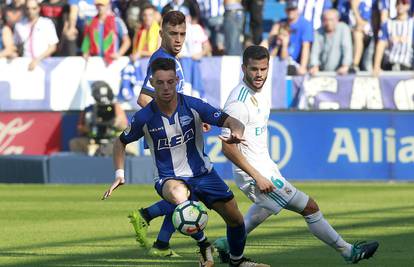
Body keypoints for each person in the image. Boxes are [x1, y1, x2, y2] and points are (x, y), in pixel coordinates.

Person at [213, 45, 380, 265]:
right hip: (255, 173)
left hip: (265, 166)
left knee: (264, 209)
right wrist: (258, 176)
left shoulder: (260, 93)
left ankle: (227, 243)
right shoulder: (238, 103)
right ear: (243, 68)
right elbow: (228, 148)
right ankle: (348, 251)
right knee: (310, 207)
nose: (259, 74)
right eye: (254, 69)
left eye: (263, 69)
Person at [102, 57, 270, 267]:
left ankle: (237, 261)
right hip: (169, 178)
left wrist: (237, 130)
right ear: (152, 84)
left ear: (177, 80)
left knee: (235, 219)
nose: (165, 87)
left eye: (170, 82)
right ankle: (203, 245)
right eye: (160, 82)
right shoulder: (144, 117)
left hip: (204, 174)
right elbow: (120, 142)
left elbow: (228, 119)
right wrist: (119, 174)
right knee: (180, 195)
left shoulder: (193, 105)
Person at [69, 81, 136, 156]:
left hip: (113, 140)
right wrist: (91, 126)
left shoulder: (115, 107)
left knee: (130, 147)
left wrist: (113, 123)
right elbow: (79, 128)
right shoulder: (89, 109)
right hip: (93, 141)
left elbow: (124, 125)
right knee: (75, 143)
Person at [262, 0, 313, 75]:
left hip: (293, 63)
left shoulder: (305, 24)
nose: (291, 11)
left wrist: (303, 67)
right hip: (278, 60)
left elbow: (306, 46)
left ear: (297, 10)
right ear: (285, 10)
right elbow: (268, 41)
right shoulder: (280, 23)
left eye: (293, 9)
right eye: (289, 9)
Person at [81, 0, 131, 65]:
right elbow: (86, 41)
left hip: (112, 62)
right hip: (95, 61)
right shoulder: (90, 22)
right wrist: (85, 52)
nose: (100, 7)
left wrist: (118, 54)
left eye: (102, 5)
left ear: (108, 5)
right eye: (98, 5)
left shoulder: (117, 21)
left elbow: (127, 41)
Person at [14, 0, 58, 71]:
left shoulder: (47, 23)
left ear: (38, 8)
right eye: (28, 8)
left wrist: (37, 60)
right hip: (25, 64)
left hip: (44, 64)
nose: (30, 11)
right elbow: (16, 45)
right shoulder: (19, 25)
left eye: (33, 8)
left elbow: (53, 47)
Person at [373, 0, 413, 76]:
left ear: (408, 6)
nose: (400, 5)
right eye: (398, 3)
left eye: (404, 3)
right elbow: (380, 46)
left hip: (407, 67)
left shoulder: (411, 24)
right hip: (390, 66)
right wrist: (376, 66)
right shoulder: (388, 24)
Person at [309, 9, 353, 75]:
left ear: (337, 19)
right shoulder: (318, 32)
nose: (328, 23)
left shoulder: (344, 29)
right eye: (326, 20)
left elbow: (347, 48)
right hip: (322, 70)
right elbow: (315, 51)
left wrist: (345, 66)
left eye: (331, 20)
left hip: (340, 71)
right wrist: (314, 66)